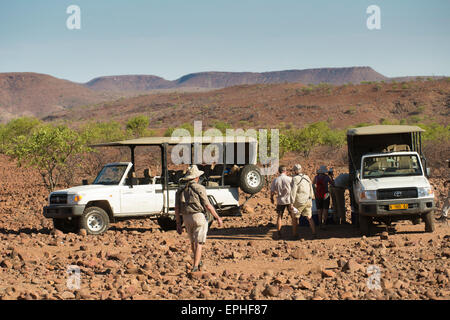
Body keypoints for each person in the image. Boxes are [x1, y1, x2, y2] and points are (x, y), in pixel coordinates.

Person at [175, 165, 223, 272]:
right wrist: (217, 217)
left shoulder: (180, 190)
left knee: (192, 242)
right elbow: (207, 205)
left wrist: (178, 223)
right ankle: (195, 266)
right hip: (198, 216)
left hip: (186, 218)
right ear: (196, 178)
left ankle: (198, 261)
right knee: (199, 243)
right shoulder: (199, 188)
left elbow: (177, 208)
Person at [290, 164, 316, 239]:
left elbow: (293, 191)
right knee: (309, 217)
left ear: (295, 171)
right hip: (308, 200)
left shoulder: (295, 179)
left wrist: (291, 203)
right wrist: (312, 196)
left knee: (295, 218)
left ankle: (295, 235)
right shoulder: (307, 177)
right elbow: (311, 187)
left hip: (299, 201)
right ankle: (314, 233)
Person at [270, 165, 292, 239]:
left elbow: (272, 191)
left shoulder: (275, 180)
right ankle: (295, 231)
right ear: (285, 171)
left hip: (280, 201)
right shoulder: (290, 179)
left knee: (279, 216)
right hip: (289, 200)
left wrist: (271, 198)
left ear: (279, 171)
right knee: (293, 216)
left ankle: (279, 232)